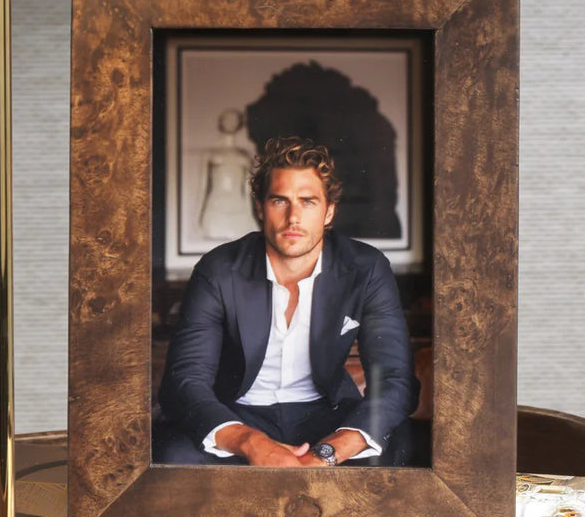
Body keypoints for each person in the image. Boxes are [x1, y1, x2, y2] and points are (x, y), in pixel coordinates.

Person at [155, 135, 417, 467]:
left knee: (395, 448)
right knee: (174, 456)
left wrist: (330, 451)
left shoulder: (365, 268)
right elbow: (186, 379)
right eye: (280, 200)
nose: (294, 217)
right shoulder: (219, 269)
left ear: (328, 212)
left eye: (308, 202)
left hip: (327, 414)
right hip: (238, 413)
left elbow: (396, 378)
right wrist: (248, 441)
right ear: (261, 209)